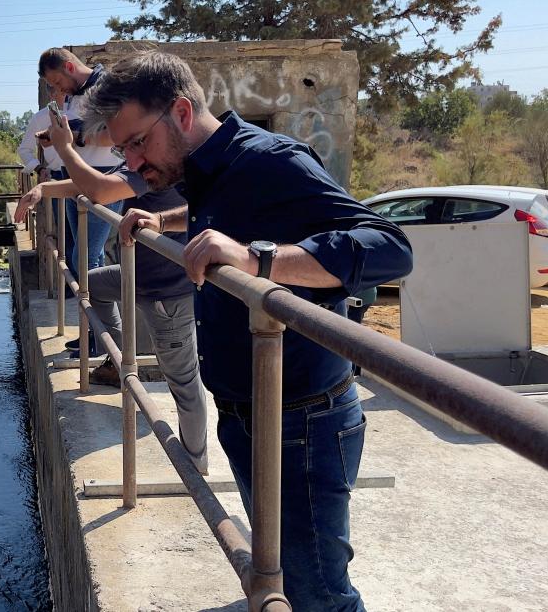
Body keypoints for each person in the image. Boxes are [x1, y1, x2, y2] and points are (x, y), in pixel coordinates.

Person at [80, 51, 413, 611]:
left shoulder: (270, 159)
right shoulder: (210, 171)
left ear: (181, 113)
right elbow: (230, 210)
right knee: (275, 573)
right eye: (122, 150)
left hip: (301, 420)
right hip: (249, 412)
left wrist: (260, 261)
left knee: (319, 594)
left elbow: (391, 248)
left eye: (136, 143)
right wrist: (165, 220)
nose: (133, 165)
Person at [13, 117, 209, 475]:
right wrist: (44, 190)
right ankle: (117, 356)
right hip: (137, 276)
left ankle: (195, 467)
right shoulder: (143, 164)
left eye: (129, 143)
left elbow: (100, 190)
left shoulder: (165, 165)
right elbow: (91, 185)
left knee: (183, 381)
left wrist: (65, 147)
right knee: (92, 286)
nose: (125, 152)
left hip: (166, 292)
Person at [38, 47, 124, 275]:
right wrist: (54, 136)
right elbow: (78, 132)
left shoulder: (106, 86)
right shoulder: (70, 95)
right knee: (86, 257)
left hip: (103, 179)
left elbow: (114, 135)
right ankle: (96, 309)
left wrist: (73, 138)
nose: (58, 89)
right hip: (73, 181)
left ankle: (94, 311)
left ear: (69, 67)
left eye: (58, 81)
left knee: (84, 259)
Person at [17, 83, 76, 289]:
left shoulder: (79, 110)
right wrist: (39, 168)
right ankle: (72, 289)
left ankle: (84, 289)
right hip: (57, 176)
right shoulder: (40, 117)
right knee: (66, 234)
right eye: (54, 88)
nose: (59, 92)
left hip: (82, 176)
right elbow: (24, 150)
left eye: (62, 86)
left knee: (83, 236)